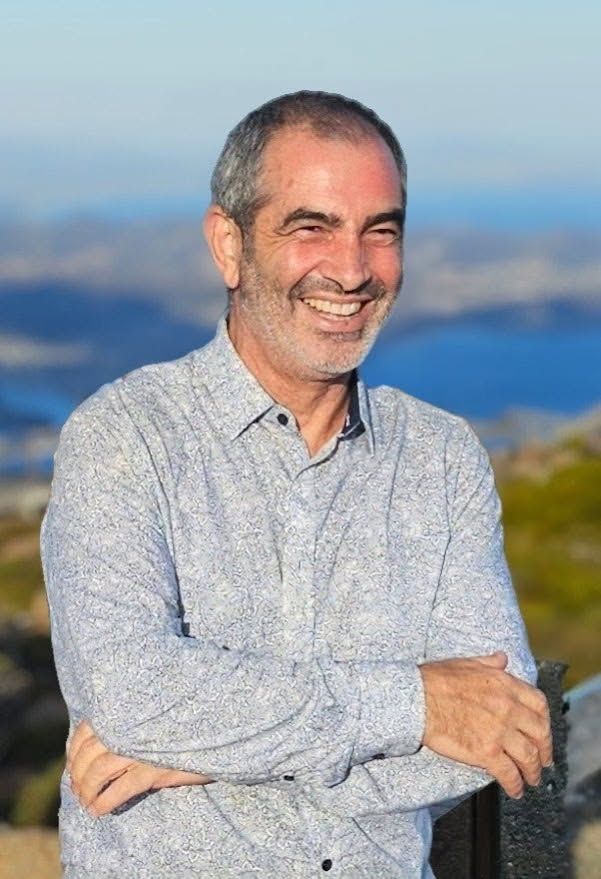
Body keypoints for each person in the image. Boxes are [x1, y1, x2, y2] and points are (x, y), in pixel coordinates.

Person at [41, 91, 552, 878]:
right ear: (229, 245)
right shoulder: (124, 437)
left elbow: (499, 738)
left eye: (379, 231)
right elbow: (134, 693)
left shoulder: (441, 458)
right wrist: (416, 704)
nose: (350, 270)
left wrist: (199, 756)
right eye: (310, 226)